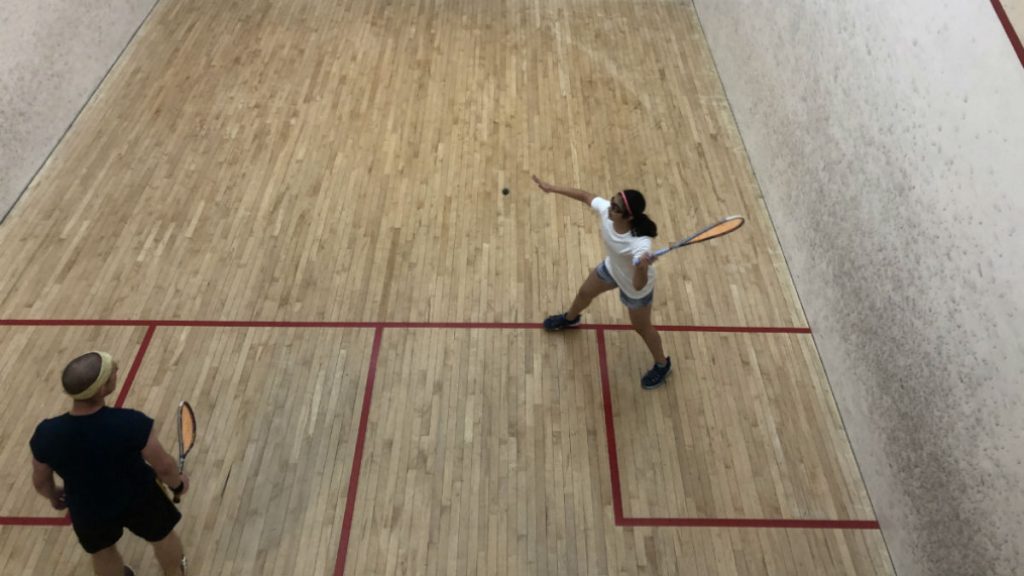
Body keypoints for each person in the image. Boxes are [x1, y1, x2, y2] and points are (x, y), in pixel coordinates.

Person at [29, 351, 189, 576]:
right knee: (162, 535)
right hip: (140, 496)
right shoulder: (131, 423)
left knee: (103, 551)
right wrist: (178, 484)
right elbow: (163, 466)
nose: (117, 371)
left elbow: (40, 480)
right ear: (102, 390)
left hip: (87, 506)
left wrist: (54, 496)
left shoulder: (46, 433)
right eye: (112, 373)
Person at [533, 175, 672, 389]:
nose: (610, 207)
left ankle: (662, 365)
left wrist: (642, 267)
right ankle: (571, 319)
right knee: (584, 293)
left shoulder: (640, 244)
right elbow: (585, 196)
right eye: (612, 201)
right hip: (611, 269)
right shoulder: (608, 212)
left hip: (636, 288)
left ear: (628, 218)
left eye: (615, 207)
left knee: (642, 329)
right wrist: (551, 188)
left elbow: (638, 284)